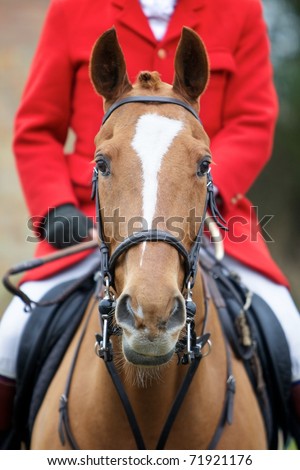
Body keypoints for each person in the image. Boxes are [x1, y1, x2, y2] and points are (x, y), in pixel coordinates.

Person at [0, 0, 299, 446]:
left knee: (292, 342)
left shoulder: (240, 10)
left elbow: (253, 121)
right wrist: (54, 205)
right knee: (9, 341)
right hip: (94, 218)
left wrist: (205, 189)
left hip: (208, 215)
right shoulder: (70, 10)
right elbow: (36, 128)